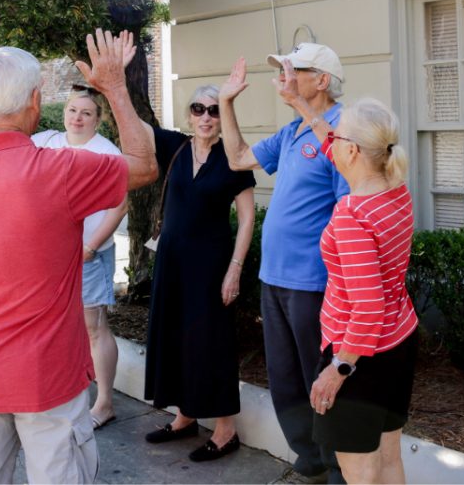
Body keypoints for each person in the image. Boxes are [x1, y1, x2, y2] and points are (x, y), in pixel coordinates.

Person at [0, 31, 157, 485]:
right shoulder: (58, 170)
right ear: (34, 100)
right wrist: (116, 89)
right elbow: (144, 165)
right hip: (45, 378)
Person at [218, 44, 350, 481]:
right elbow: (238, 159)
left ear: (322, 80)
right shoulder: (293, 130)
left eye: (296, 69)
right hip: (273, 278)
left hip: (313, 281)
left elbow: (348, 207)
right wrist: (225, 103)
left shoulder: (343, 129)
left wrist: (339, 283)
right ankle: (309, 458)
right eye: (283, 69)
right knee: (285, 377)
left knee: (319, 379)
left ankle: (336, 468)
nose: (286, 76)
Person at [279, 80, 418, 484]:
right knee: (389, 460)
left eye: (339, 135)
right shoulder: (395, 189)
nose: (331, 140)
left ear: (354, 151)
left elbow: (368, 307)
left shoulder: (352, 215)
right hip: (398, 343)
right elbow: (332, 146)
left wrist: (337, 369)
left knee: (360, 473)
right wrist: (303, 106)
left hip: (360, 357)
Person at [142, 85, 256, 462]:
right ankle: (185, 416)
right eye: (198, 109)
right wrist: (111, 85)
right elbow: (133, 126)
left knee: (210, 342)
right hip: (172, 263)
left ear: (222, 118)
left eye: (213, 110)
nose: (206, 117)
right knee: (174, 336)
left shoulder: (233, 158)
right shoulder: (173, 146)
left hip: (211, 267)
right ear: (188, 114)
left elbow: (246, 219)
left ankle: (226, 430)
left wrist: (234, 270)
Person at [34, 86, 128, 429]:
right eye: (73, 110)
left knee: (94, 328)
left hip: (89, 256)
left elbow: (119, 205)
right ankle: (65, 393)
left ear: (98, 120)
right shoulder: (45, 142)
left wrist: (90, 247)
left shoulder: (106, 153)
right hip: (51, 257)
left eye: (86, 113)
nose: (77, 118)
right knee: (57, 326)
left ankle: (104, 403)